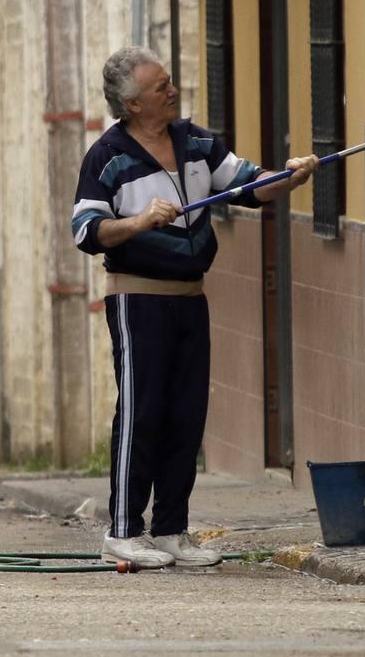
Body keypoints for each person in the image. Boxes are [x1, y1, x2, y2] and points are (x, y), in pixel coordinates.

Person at [71, 46, 318, 569]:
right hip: (136, 299)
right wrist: (138, 222)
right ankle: (121, 529)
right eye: (161, 87)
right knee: (143, 411)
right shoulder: (106, 157)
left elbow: (250, 185)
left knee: (186, 414)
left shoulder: (197, 142)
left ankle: (171, 531)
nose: (173, 91)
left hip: (190, 298)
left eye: (168, 82)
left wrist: (291, 176)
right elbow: (86, 231)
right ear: (134, 104)